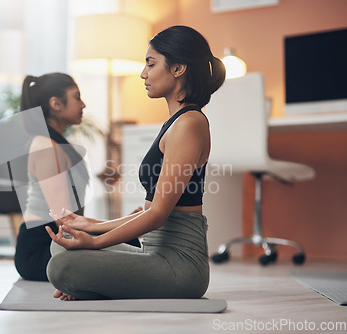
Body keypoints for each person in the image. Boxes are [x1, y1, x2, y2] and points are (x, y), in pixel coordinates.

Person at [45, 25, 226, 300]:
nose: (144, 73)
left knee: (62, 266)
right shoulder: (176, 122)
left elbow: (157, 216)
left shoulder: (190, 123)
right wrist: (89, 225)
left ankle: (90, 284)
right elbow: (146, 210)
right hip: (153, 253)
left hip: (180, 267)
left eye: (151, 64)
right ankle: (92, 285)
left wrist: (94, 242)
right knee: (64, 245)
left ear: (178, 68)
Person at [14, 73, 140, 281]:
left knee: (129, 241)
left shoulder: (58, 145)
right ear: (55, 104)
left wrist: (127, 224)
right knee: (130, 243)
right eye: (77, 97)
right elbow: (64, 220)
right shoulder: (45, 146)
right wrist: (124, 225)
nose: (83, 105)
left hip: (58, 237)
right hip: (41, 249)